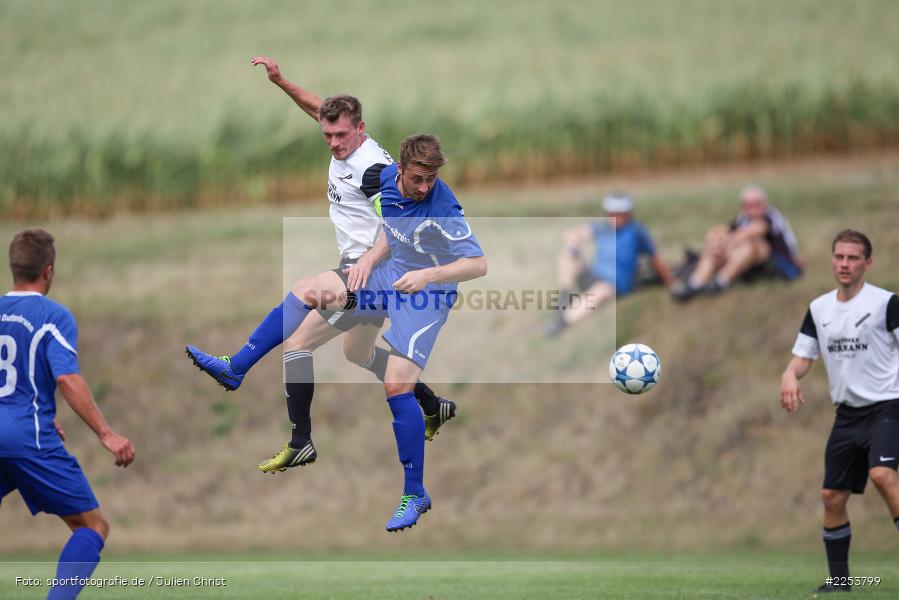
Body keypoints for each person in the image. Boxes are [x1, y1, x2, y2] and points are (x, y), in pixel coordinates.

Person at [186, 57, 455, 475]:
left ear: (360, 129)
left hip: (372, 273)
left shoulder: (373, 171)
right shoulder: (345, 138)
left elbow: (397, 225)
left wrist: (367, 261)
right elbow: (318, 108)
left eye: (341, 135)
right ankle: (432, 405)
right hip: (363, 270)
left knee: (301, 310)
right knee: (355, 352)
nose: (333, 142)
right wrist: (281, 82)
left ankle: (242, 375)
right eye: (327, 134)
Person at [202, 133, 485, 531]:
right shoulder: (386, 180)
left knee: (396, 385)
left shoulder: (444, 205)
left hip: (427, 296)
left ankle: (415, 493)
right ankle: (236, 368)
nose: (424, 187)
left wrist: (428, 276)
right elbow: (392, 227)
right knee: (307, 290)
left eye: (431, 179)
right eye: (417, 178)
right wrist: (369, 259)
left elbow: (477, 264)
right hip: (389, 275)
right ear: (400, 169)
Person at [1, 229, 135, 600]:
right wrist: (106, 434)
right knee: (91, 526)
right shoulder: (52, 316)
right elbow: (66, 377)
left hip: (21, 427)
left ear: (13, 267)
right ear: (48, 270)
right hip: (28, 436)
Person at [780, 229, 899, 594]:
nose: (844, 264)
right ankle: (840, 581)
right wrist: (789, 374)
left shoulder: (886, 303)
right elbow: (803, 357)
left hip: (888, 405)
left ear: (867, 262)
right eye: (839, 257)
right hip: (847, 415)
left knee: (882, 475)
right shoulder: (819, 309)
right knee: (831, 497)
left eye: (853, 257)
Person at [547, 193, 674, 337]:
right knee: (568, 255)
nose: (616, 217)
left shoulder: (636, 231)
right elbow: (575, 233)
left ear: (628, 214)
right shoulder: (603, 226)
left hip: (613, 283)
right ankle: (563, 295)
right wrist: (573, 245)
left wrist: (671, 282)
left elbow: (655, 259)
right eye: (612, 213)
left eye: (620, 213)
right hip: (593, 274)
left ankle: (563, 321)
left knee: (600, 291)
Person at [671, 185, 802, 302]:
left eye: (757, 204)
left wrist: (728, 241)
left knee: (752, 244)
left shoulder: (771, 216)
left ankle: (721, 282)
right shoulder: (743, 219)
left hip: (777, 265)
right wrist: (715, 239)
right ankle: (695, 284)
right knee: (715, 250)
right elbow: (722, 230)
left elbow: (755, 230)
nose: (753, 209)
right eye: (749, 205)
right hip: (750, 267)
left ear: (764, 204)